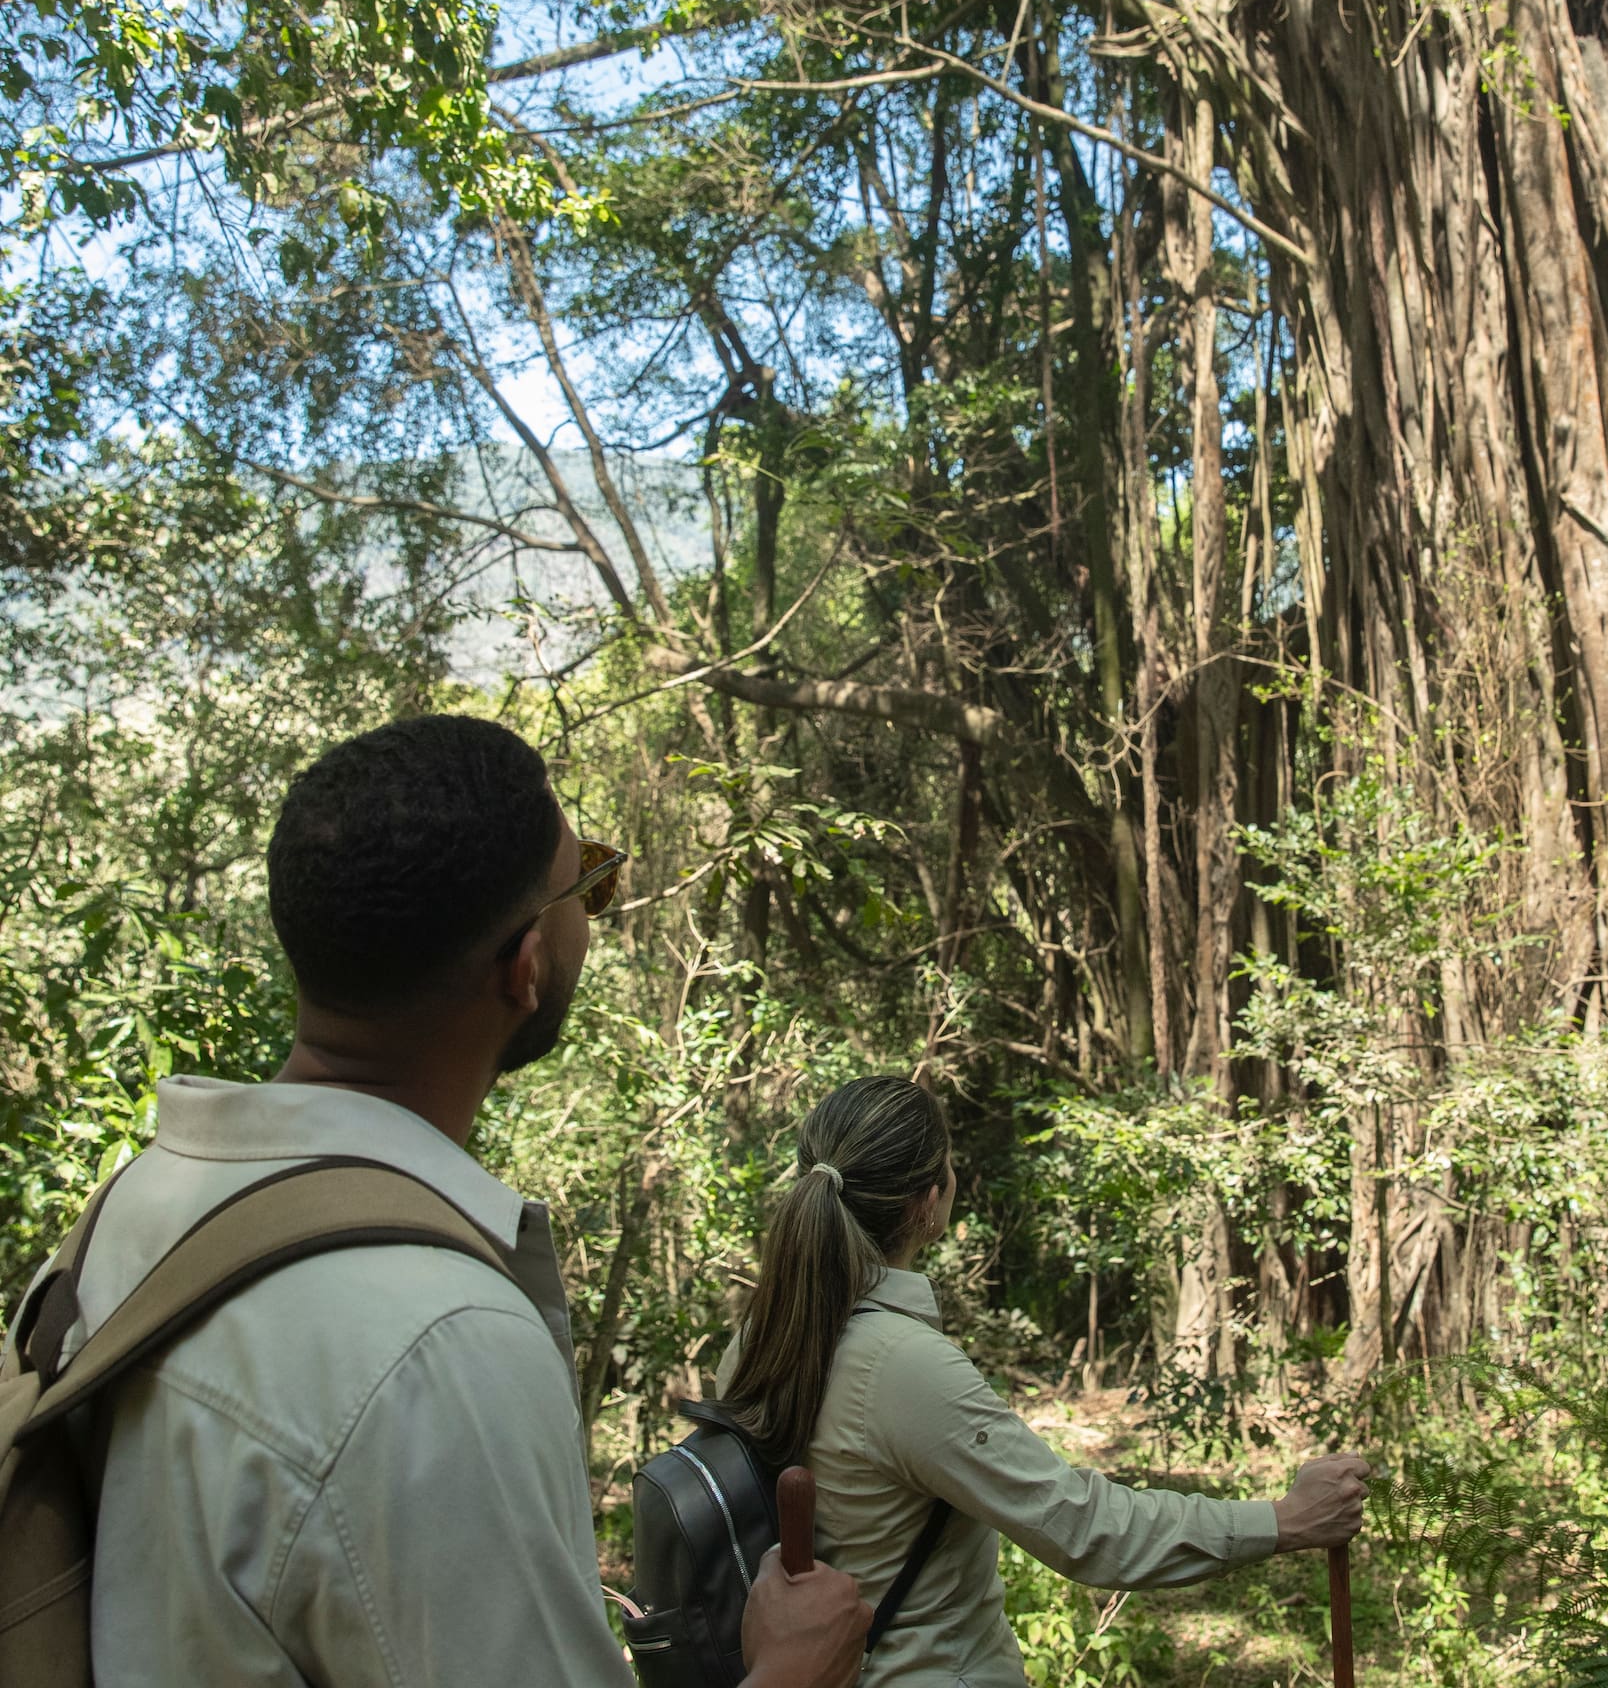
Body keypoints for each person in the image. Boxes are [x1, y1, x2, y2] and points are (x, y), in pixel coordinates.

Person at [5, 715, 869, 1688]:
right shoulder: (441, 1345)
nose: (595, 903)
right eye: (588, 880)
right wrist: (790, 1671)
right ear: (525, 963)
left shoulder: (129, 1209)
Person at [716, 1075, 1372, 1688]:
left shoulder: (759, 1337)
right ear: (926, 1203)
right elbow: (1084, 1529)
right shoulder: (899, 1364)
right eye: (948, 1166)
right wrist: (1285, 1520)